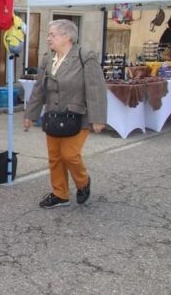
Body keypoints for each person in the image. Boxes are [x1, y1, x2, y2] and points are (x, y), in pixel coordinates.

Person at [23, 19, 107, 209]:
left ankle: (83, 182)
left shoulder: (85, 57)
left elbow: (96, 88)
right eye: (49, 35)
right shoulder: (48, 58)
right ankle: (60, 194)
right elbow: (39, 89)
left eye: (52, 35)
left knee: (69, 155)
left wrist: (98, 118)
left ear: (67, 36)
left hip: (78, 115)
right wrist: (31, 114)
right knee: (55, 157)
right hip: (53, 114)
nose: (48, 38)